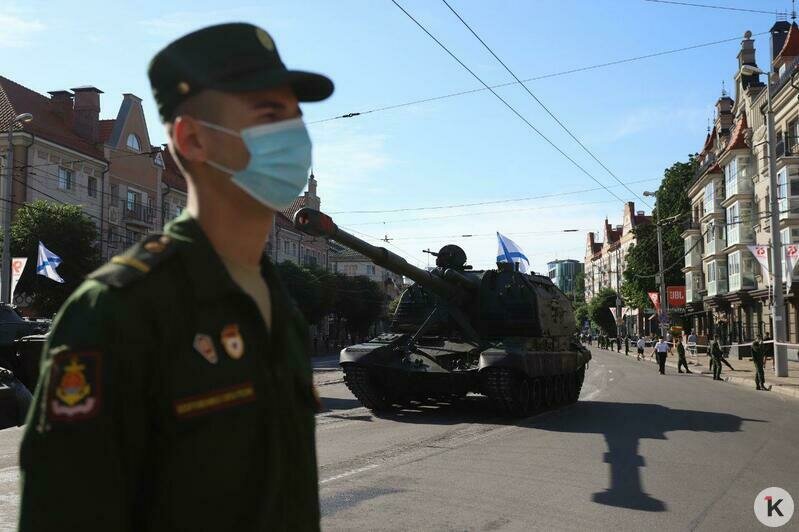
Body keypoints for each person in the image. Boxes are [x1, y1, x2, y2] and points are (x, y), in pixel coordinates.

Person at [18, 23, 333, 531]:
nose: (291, 138)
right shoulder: (118, 310)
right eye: (266, 117)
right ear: (191, 139)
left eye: (295, 118)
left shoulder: (278, 304)